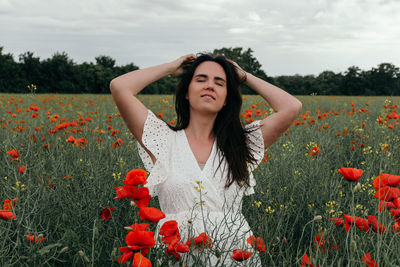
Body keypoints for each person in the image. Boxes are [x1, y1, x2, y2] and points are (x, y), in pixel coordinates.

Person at [110, 53, 302, 266]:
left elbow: (291, 107)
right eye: (201, 79)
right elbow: (120, 87)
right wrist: (170, 68)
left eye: (219, 83)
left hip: (234, 255)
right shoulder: (164, 141)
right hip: (175, 255)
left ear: (226, 97)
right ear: (186, 92)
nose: (210, 86)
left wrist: (244, 76)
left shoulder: (241, 144)